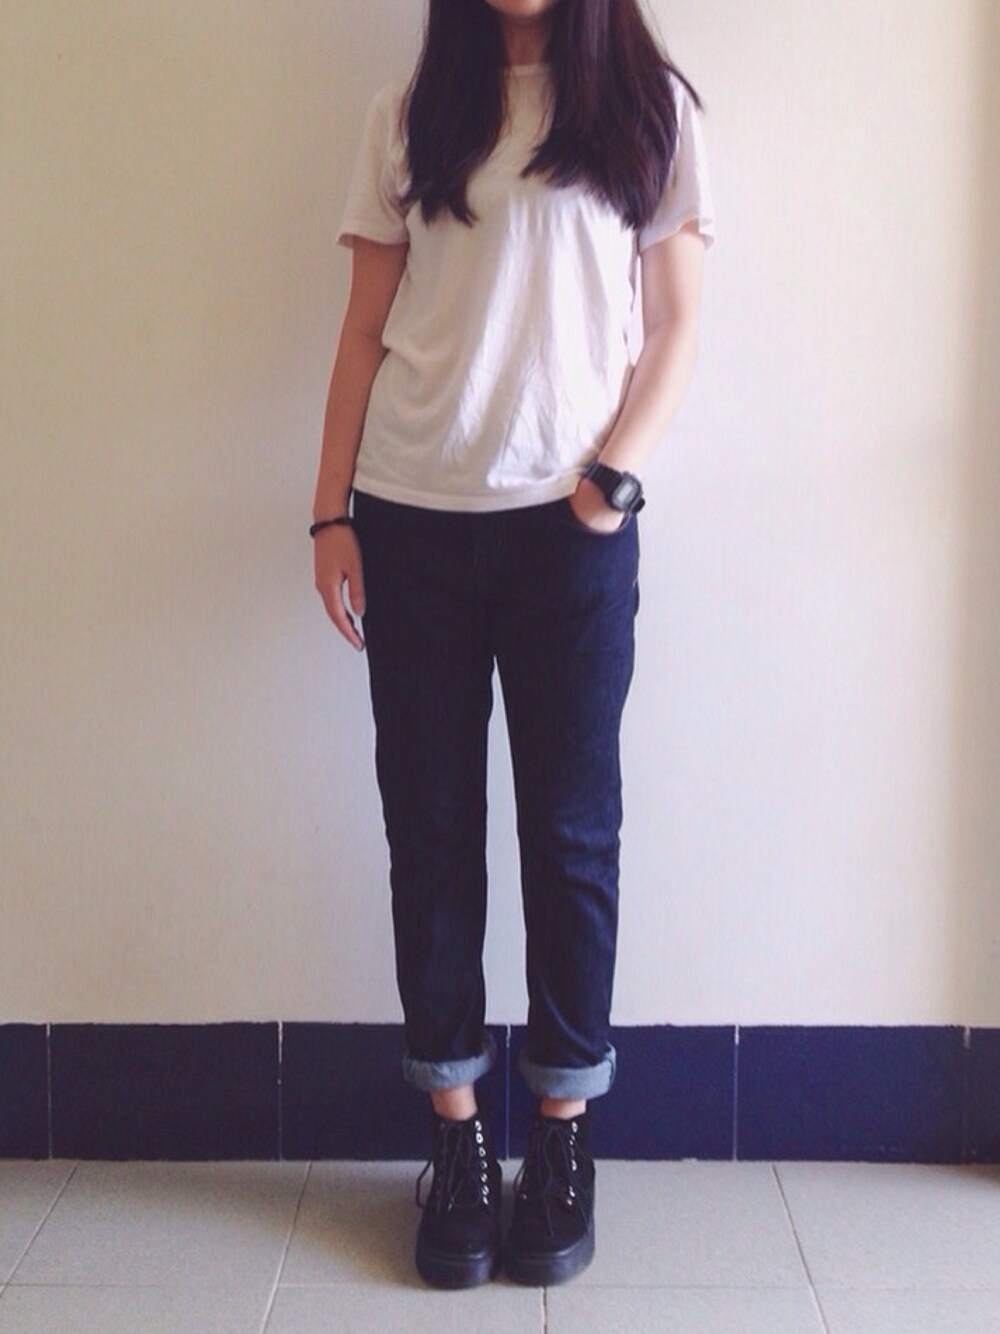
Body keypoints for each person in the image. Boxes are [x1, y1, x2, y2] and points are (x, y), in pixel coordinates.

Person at [312, 0, 714, 1291]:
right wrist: (329, 508)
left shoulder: (647, 109)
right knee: (430, 830)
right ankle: (457, 1141)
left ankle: (562, 1137)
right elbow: (363, 328)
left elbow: (677, 323)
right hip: (412, 519)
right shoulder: (410, 114)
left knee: (571, 832)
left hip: (570, 531)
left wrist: (614, 481)